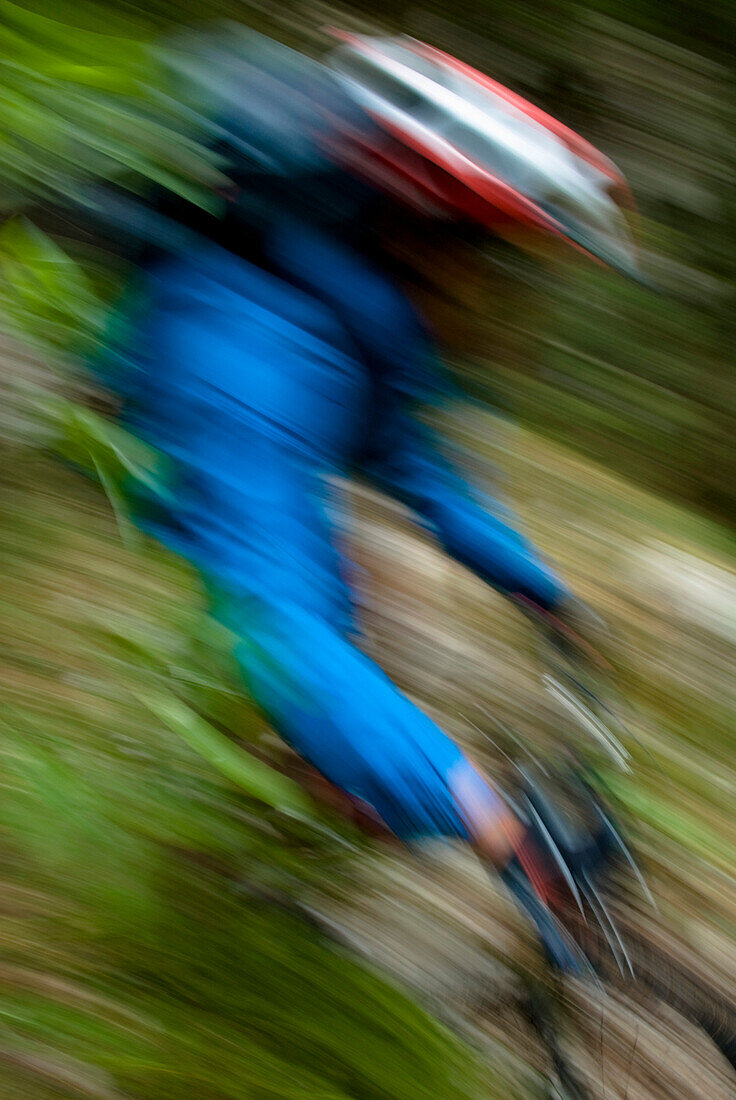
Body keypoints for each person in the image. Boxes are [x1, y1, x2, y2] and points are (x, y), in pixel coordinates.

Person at [99, 28, 640, 970]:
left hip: (276, 461)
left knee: (363, 699)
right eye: (486, 258)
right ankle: (199, 921)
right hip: (196, 461)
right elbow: (281, 625)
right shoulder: (238, 345)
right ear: (417, 228)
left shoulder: (357, 312)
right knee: (325, 662)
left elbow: (407, 456)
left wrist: (532, 585)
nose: (488, 292)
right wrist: (487, 816)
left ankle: (256, 875)